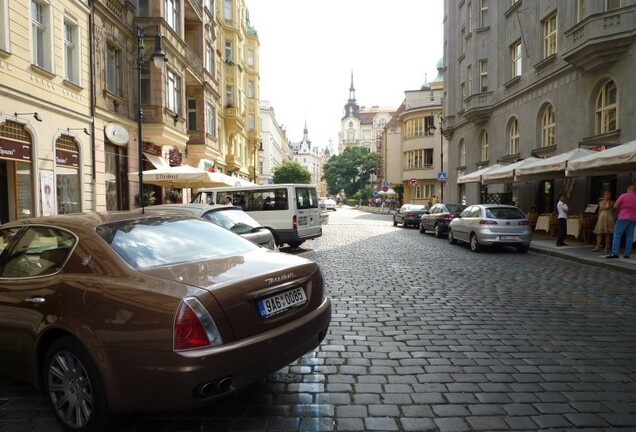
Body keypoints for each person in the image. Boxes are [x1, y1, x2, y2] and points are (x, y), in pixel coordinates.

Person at [606, 185, 636, 259]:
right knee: (630, 236)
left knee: (617, 235)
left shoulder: (623, 195)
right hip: (633, 219)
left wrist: (616, 214)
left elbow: (616, 206)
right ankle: (627, 254)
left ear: (629, 189)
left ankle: (615, 253)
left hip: (623, 217)